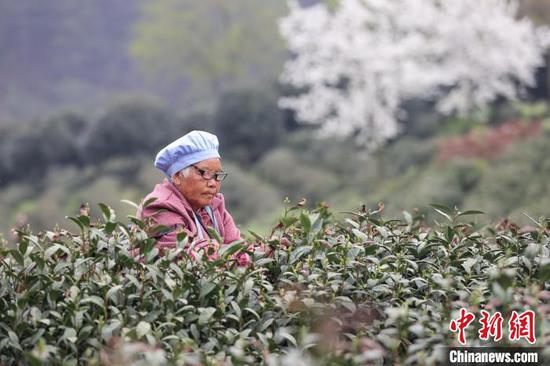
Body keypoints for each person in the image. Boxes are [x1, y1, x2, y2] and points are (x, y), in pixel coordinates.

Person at [137, 130, 248, 264]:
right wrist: (236, 254)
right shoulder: (159, 207)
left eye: (217, 175)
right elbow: (187, 257)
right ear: (177, 176)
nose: (213, 183)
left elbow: (240, 248)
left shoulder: (215, 205)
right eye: (205, 173)